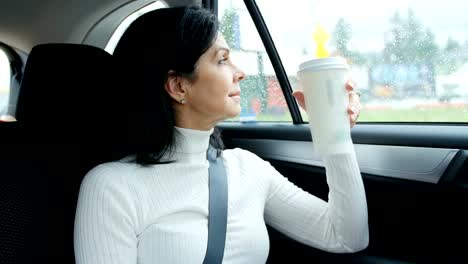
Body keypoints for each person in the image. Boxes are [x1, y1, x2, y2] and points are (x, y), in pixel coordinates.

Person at [73, 6, 368, 264]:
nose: (240, 73)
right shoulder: (111, 187)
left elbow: (345, 237)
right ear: (178, 87)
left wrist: (335, 133)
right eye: (222, 60)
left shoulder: (248, 169)